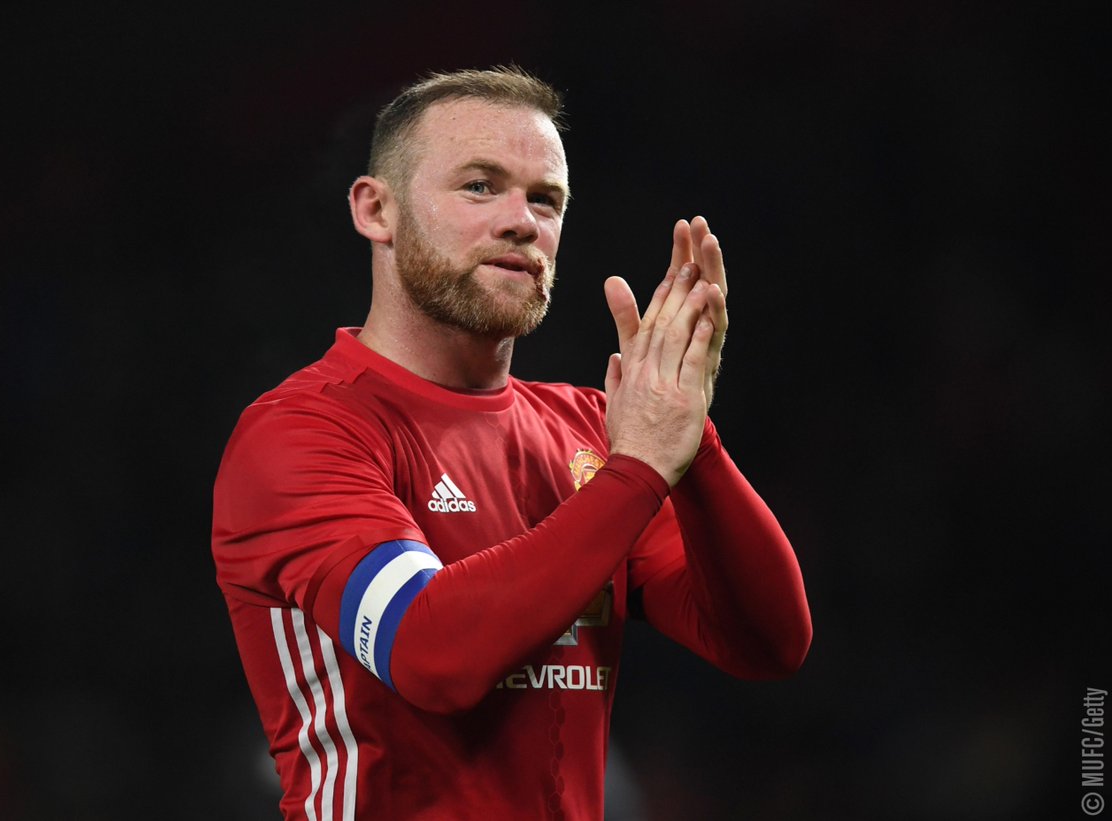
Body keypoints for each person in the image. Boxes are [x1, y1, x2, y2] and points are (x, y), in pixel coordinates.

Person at [212, 66, 812, 821]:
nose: (522, 221)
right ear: (376, 209)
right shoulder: (303, 432)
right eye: (479, 186)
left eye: (546, 199)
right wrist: (638, 469)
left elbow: (766, 642)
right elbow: (430, 655)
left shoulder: (595, 431)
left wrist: (694, 444)